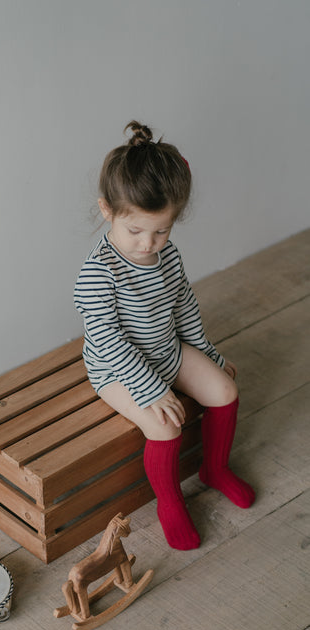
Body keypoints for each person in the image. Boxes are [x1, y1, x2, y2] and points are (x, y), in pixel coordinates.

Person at [74, 120, 255, 551]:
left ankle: (215, 469)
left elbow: (184, 306)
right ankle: (170, 502)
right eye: (135, 231)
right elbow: (109, 342)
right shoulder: (97, 274)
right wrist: (152, 389)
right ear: (107, 210)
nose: (148, 244)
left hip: (166, 351)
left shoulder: (166, 255)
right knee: (165, 426)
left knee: (224, 390)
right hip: (117, 371)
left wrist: (207, 354)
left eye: (161, 230)